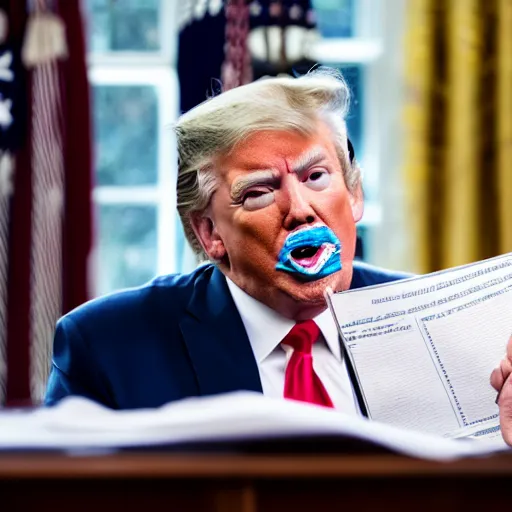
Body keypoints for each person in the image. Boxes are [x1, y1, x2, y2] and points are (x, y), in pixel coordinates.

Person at [44, 69, 512, 446]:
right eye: (260, 192)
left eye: (316, 177)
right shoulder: (105, 346)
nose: (300, 210)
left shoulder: (450, 327)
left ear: (354, 196)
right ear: (209, 233)